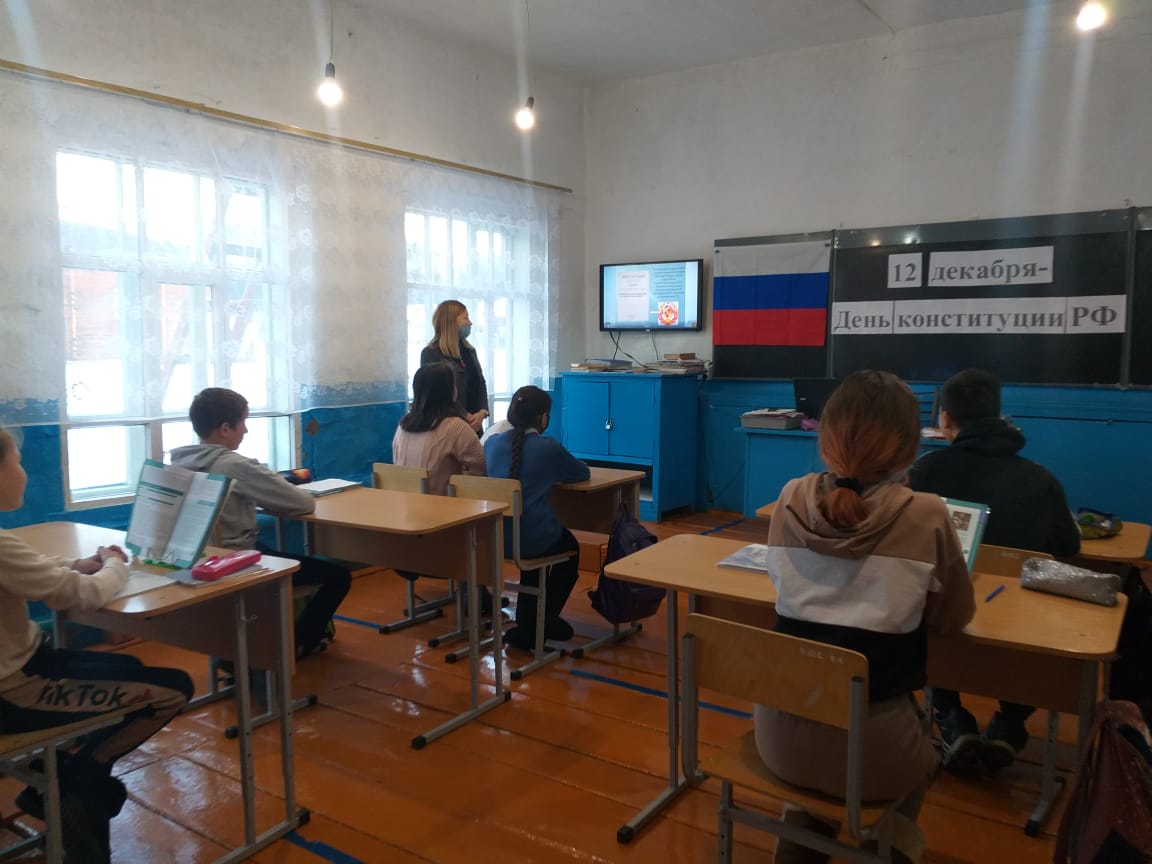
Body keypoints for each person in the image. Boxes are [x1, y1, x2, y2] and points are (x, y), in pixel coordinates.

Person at [755, 371, 975, 864]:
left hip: (779, 738)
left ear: (825, 437)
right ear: (910, 448)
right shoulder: (927, 513)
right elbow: (953, 618)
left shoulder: (789, 497)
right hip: (879, 752)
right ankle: (886, 846)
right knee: (920, 753)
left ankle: (802, 838)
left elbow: (783, 585)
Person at [0, 426, 194, 862]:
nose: (23, 472)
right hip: (15, 691)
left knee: (130, 670)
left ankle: (61, 777)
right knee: (174, 688)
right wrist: (114, 566)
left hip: (24, 667)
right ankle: (79, 782)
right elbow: (80, 596)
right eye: (17, 461)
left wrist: (78, 563)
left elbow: (26, 566)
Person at [908, 368, 1080, 772]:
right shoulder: (1040, 478)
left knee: (923, 599)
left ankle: (951, 715)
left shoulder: (925, 471)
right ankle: (1011, 721)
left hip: (942, 626)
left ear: (945, 419)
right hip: (1019, 636)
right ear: (1000, 417)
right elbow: (1069, 547)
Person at [171, 388, 351, 659]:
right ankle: (297, 646)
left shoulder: (179, 462)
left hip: (196, 560)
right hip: (236, 561)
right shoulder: (234, 465)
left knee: (275, 551)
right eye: (243, 422)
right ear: (225, 429)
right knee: (338, 576)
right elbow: (303, 503)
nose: (246, 430)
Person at [484, 386, 590, 651]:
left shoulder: (492, 444)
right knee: (569, 549)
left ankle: (529, 621)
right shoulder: (548, 448)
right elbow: (581, 473)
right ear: (543, 417)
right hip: (532, 538)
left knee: (537, 555)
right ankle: (544, 620)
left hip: (496, 537)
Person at [393, 362, 487, 495]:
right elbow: (482, 465)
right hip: (441, 505)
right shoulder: (455, 427)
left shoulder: (403, 426)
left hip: (405, 502)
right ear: (450, 391)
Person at [420, 300, 490, 434]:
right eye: (466, 318)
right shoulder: (431, 353)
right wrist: (466, 416)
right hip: (448, 427)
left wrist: (483, 412)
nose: (470, 323)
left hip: (475, 425)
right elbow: (438, 393)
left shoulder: (469, 351)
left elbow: (481, 383)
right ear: (451, 321)